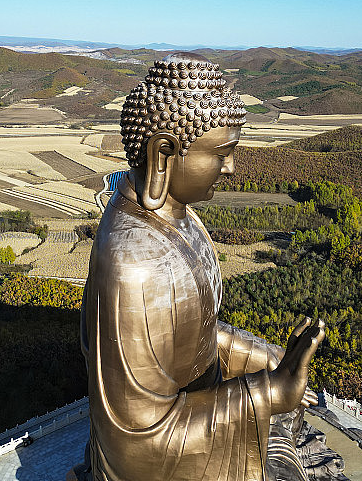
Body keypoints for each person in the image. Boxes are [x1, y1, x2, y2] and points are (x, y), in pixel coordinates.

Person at [75, 53, 325, 481]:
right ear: (163, 154)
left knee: (291, 418)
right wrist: (268, 393)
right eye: (222, 154)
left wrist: (264, 358)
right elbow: (136, 446)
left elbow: (196, 337)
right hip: (164, 453)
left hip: (202, 411)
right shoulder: (131, 264)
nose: (231, 168)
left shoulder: (180, 217)